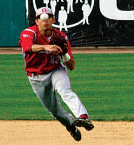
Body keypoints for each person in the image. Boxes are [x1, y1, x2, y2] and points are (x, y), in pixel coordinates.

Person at [18, 7, 94, 141]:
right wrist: (45, 47)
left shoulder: (61, 37)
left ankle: (83, 116)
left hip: (55, 70)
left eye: (48, 18)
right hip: (36, 77)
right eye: (42, 18)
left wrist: (64, 54)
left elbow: (71, 66)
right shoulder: (29, 33)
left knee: (65, 91)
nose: (45, 21)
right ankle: (70, 125)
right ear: (36, 21)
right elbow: (27, 47)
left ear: (53, 20)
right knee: (55, 111)